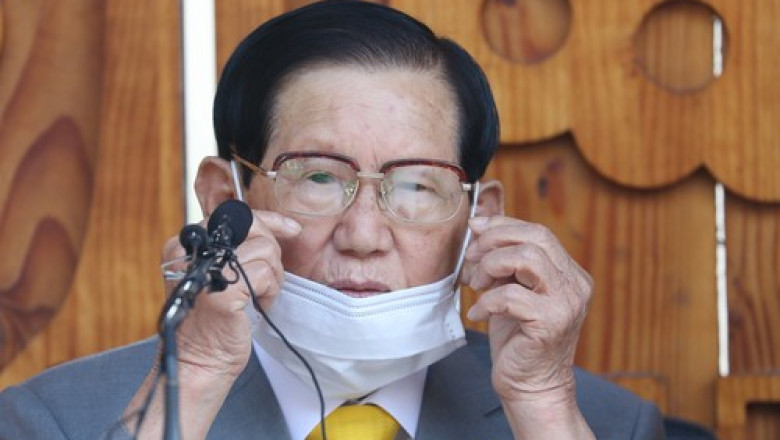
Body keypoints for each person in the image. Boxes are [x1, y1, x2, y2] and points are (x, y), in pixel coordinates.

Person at [0, 1, 666, 438]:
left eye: (414, 187)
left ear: (479, 219)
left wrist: (545, 405)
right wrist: (194, 378)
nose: (365, 237)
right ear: (223, 198)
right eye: (318, 178)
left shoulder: (600, 422)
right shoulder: (57, 420)